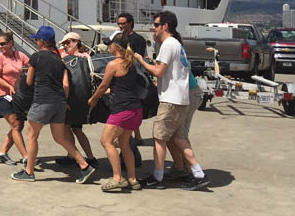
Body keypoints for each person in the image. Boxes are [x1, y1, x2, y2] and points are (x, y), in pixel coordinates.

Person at [134, 11, 210, 190]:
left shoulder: (168, 44)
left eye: (156, 24)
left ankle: (158, 177)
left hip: (171, 99)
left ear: (165, 26)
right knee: (178, 137)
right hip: (180, 98)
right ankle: (198, 173)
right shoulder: (176, 44)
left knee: (159, 138)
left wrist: (141, 61)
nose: (153, 27)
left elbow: (158, 71)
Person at [11, 26, 95, 183]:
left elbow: (29, 81)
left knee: (31, 136)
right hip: (59, 103)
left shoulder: (36, 57)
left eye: (37, 39)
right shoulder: (60, 60)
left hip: (42, 101)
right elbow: (66, 85)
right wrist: (64, 101)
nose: (36, 41)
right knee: (60, 138)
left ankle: (28, 172)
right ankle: (84, 165)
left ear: (42, 41)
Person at [88, 32, 142, 191]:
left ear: (115, 47)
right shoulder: (130, 62)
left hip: (122, 110)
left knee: (106, 141)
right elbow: (123, 85)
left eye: (110, 44)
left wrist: (93, 99)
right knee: (125, 143)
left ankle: (117, 178)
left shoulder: (113, 64)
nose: (108, 46)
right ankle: (132, 179)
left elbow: (103, 86)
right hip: (135, 110)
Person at [56, 32, 100, 170]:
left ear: (76, 42)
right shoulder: (83, 58)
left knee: (69, 128)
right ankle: (87, 157)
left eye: (68, 42)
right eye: (64, 44)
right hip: (78, 99)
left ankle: (76, 156)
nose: (65, 46)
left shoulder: (82, 58)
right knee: (74, 129)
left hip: (74, 100)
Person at [0, 32, 29, 165]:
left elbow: (32, 67)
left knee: (19, 125)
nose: (1, 46)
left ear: (11, 43)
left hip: (16, 96)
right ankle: (26, 156)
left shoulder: (20, 55)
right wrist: (9, 86)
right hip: (2, 95)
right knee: (16, 124)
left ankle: (2, 154)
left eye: (3, 44)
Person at [117, 13, 147, 151]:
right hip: (121, 74)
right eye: (119, 23)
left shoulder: (138, 39)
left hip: (133, 75)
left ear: (130, 23)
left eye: (123, 23)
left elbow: (138, 58)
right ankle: (137, 135)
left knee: (130, 107)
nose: (120, 26)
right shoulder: (118, 37)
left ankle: (135, 135)